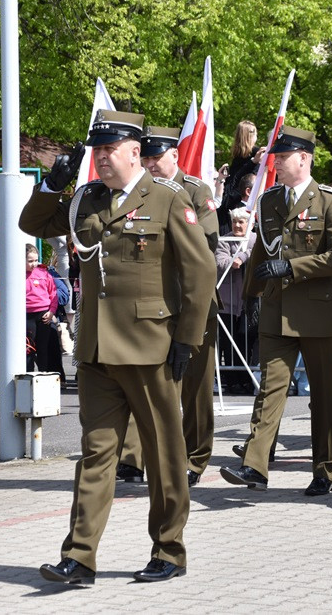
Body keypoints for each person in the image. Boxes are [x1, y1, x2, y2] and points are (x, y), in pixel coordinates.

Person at [22, 109, 215, 585]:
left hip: (151, 347)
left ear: (136, 152)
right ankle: (80, 556)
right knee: (96, 453)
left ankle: (169, 550)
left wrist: (186, 340)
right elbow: (33, 224)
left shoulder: (169, 199)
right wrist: (51, 184)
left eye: (111, 150)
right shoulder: (87, 198)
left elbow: (201, 272)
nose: (102, 159)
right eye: (98, 151)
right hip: (96, 349)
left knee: (166, 455)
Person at [219, 125, 332, 496]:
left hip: (317, 312)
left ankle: (326, 468)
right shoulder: (270, 200)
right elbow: (263, 250)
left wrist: (293, 268)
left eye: (282, 156)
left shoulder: (330, 201)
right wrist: (250, 295)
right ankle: (255, 467)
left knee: (325, 397)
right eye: (274, 156)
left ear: (304, 159)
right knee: (270, 391)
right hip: (276, 309)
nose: (274, 161)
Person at [117, 125, 220, 487]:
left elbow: (207, 241)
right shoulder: (138, 193)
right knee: (142, 377)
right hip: (155, 300)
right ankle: (133, 457)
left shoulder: (194, 190)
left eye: (156, 157)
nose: (150, 164)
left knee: (194, 386)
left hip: (192, 300)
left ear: (174, 155)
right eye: (144, 158)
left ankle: (194, 457)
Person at [215, 207, 258, 395]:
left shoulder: (256, 240)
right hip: (228, 302)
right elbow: (221, 263)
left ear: (251, 224)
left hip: (249, 302)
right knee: (228, 343)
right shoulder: (225, 239)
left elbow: (255, 256)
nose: (237, 225)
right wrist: (238, 257)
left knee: (247, 342)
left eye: (241, 222)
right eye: (235, 221)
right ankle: (232, 381)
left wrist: (243, 255)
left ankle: (247, 379)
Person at [25, 243, 59, 373]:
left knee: (43, 348)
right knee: (28, 348)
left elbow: (53, 294)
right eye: (30, 261)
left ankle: (43, 374)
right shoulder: (15, 275)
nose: (34, 264)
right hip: (27, 316)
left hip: (43, 315)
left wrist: (51, 312)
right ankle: (29, 374)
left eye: (35, 260)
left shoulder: (44, 273)